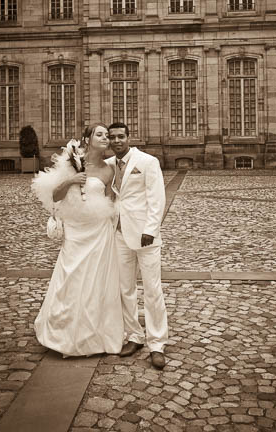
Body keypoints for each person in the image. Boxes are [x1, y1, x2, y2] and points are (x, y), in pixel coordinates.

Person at [32, 123, 124, 357]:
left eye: (106, 135)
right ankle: (63, 334)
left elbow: (110, 200)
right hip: (75, 230)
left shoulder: (108, 169)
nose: (105, 138)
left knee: (96, 280)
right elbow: (54, 195)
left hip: (98, 231)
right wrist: (71, 180)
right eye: (100, 134)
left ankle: (94, 336)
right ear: (87, 138)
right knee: (70, 276)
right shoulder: (72, 160)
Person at [106, 122, 168, 369]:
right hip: (119, 234)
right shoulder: (109, 165)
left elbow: (157, 197)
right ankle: (134, 336)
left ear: (129, 138)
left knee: (153, 290)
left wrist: (150, 230)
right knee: (125, 289)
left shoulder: (147, 162)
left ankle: (157, 343)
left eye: (121, 136)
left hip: (145, 236)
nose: (117, 141)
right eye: (113, 138)